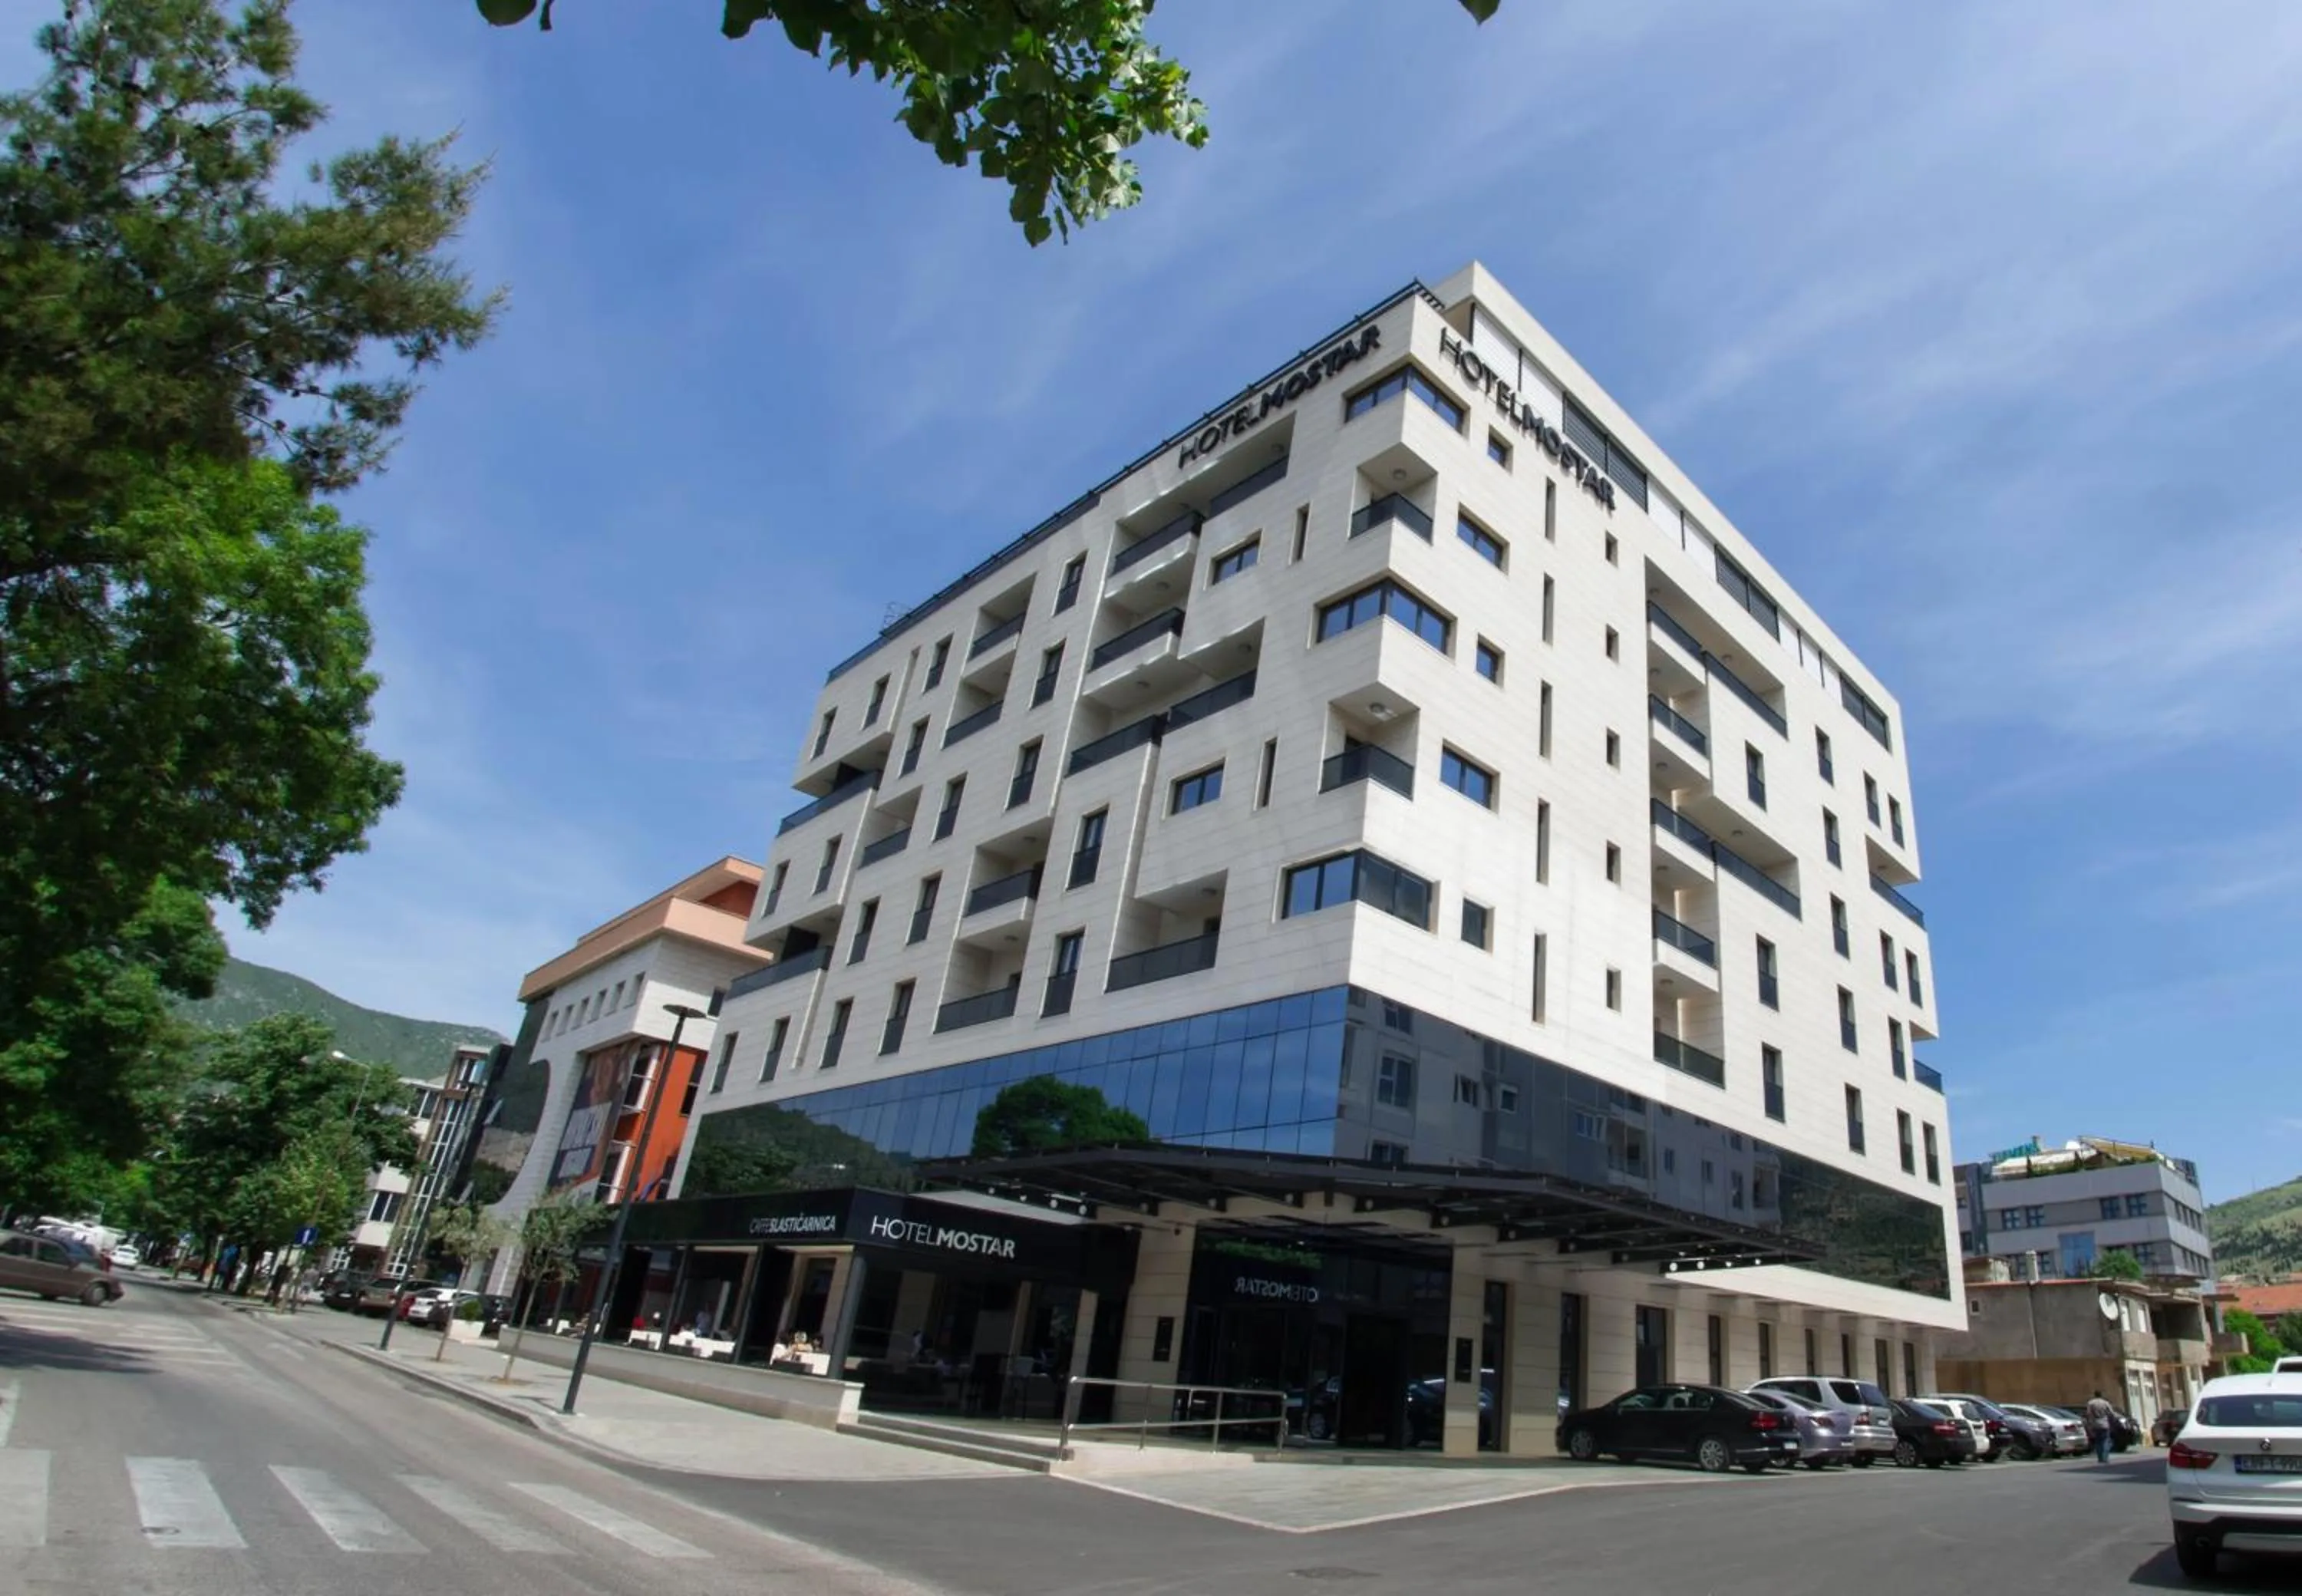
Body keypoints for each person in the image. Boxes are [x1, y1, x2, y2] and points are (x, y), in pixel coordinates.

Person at [2084, 1390, 2116, 1464]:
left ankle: (2100, 1457)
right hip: (2104, 1423)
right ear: (2101, 1395)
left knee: (2098, 1441)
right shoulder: (2105, 1403)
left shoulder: (2091, 1403)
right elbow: (2111, 1413)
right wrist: (2113, 1421)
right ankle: (2105, 1457)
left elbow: (2088, 1414)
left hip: (2095, 1424)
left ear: (2094, 1395)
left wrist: (2089, 1423)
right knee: (2105, 1440)